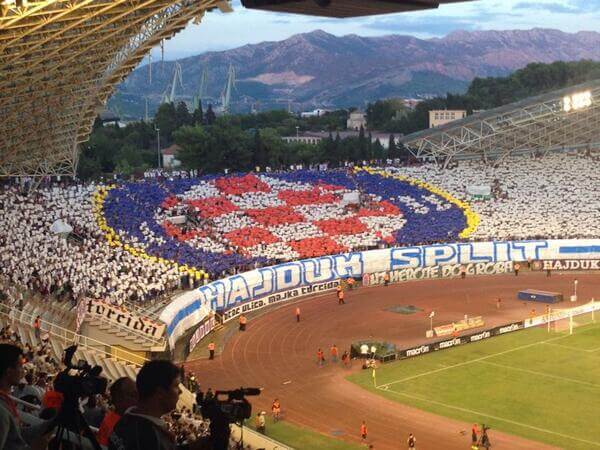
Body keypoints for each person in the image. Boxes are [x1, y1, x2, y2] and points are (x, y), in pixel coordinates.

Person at [108, 360, 206, 450]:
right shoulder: (149, 436)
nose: (180, 391)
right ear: (160, 393)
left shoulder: (125, 422)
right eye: (176, 386)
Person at [0, 343, 50, 450]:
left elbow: (17, 434)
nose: (23, 370)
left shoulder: (6, 401)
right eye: (20, 366)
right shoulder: (2, 412)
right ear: (9, 372)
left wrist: (51, 424)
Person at [97, 377, 138, 446]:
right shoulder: (115, 424)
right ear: (119, 398)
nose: (138, 399)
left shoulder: (114, 419)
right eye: (133, 395)